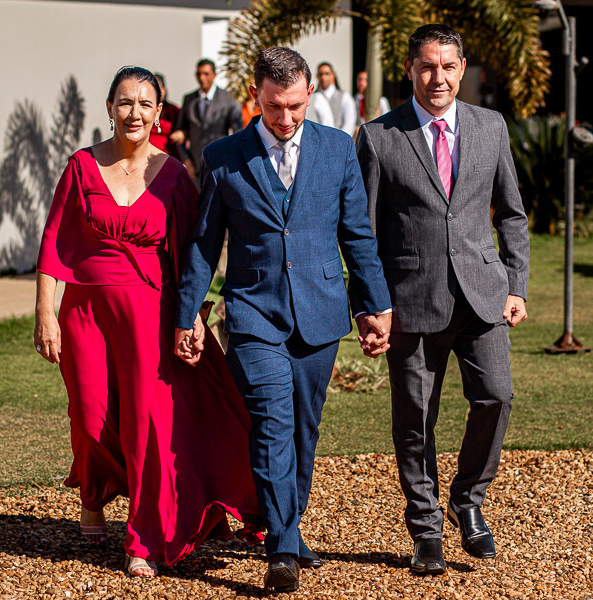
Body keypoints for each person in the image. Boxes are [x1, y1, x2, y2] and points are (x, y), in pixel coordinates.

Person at [174, 47, 392, 593]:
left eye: (295, 105)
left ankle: (289, 526)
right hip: (252, 312)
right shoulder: (222, 155)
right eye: (275, 107)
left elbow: (357, 237)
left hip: (320, 313)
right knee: (272, 419)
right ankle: (282, 549)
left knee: (302, 428)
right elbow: (204, 243)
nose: (286, 118)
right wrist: (190, 313)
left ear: (309, 95)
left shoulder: (338, 149)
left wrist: (373, 307)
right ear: (256, 96)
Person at [33, 66, 260, 579]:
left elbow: (195, 254)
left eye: (144, 104)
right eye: (123, 102)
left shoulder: (176, 176)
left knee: (145, 425)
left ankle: (144, 537)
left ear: (159, 114)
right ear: (109, 107)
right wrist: (45, 312)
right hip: (86, 311)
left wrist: (195, 317)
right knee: (89, 415)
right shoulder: (81, 166)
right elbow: (52, 244)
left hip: (150, 315)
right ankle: (94, 494)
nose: (133, 112)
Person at [356, 25, 529, 575]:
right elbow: (361, 231)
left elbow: (513, 214)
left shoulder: (491, 127)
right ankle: (425, 529)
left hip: (483, 298)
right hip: (410, 300)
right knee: (415, 421)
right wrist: (370, 304)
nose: (439, 78)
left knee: (496, 398)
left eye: (448, 67)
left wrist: (517, 284)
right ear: (409, 69)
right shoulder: (379, 136)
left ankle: (468, 501)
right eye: (428, 67)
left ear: (461, 69)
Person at [170, 59, 243, 182]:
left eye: (206, 74)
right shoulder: (189, 99)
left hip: (221, 167)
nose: (202, 78)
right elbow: (179, 133)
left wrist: (231, 162)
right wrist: (187, 161)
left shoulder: (228, 99)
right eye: (199, 74)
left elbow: (238, 134)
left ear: (214, 75)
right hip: (196, 170)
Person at [310, 61, 357, 137]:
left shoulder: (345, 97)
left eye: (327, 74)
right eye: (321, 74)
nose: (323, 77)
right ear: (317, 76)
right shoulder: (312, 98)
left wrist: (339, 141)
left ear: (333, 75)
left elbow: (349, 123)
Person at [148, 72, 180, 156]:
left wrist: (183, 134)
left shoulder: (175, 111)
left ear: (164, 90)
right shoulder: (144, 111)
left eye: (158, 89)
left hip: (169, 157)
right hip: (147, 157)